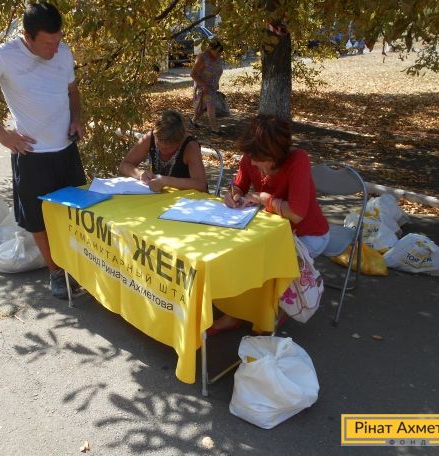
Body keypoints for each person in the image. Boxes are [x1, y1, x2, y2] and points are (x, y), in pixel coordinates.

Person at [0, 2, 86, 300]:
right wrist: (3, 135)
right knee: (38, 221)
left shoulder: (63, 51)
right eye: (47, 43)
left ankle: (79, 268)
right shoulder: (3, 56)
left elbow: (72, 91)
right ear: (27, 36)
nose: (54, 49)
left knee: (76, 214)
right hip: (32, 155)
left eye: (58, 41)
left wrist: (76, 119)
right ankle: (56, 272)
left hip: (66, 151)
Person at [209, 114, 330, 335]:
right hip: (272, 231)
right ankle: (238, 312)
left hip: (308, 235)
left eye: (258, 159)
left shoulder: (298, 160)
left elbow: (296, 214)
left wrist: (265, 199)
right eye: (251, 157)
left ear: (274, 155)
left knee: (264, 263)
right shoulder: (251, 157)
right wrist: (233, 196)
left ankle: (264, 313)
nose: (252, 162)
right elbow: (238, 186)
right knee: (241, 253)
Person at [119, 110, 207, 193]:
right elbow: (124, 165)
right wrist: (140, 174)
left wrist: (166, 181)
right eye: (159, 144)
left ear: (180, 141)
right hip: (159, 197)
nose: (163, 149)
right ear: (155, 135)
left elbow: (201, 185)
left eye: (169, 147)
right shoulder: (150, 138)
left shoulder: (190, 146)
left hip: (187, 199)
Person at [190, 40, 224, 135]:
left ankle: (193, 121)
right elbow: (193, 74)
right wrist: (204, 85)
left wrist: (216, 83)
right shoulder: (202, 57)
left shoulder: (218, 57)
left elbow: (217, 71)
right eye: (217, 52)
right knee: (211, 106)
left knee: (202, 108)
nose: (219, 54)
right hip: (203, 87)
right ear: (210, 49)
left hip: (212, 87)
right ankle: (215, 130)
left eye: (220, 52)